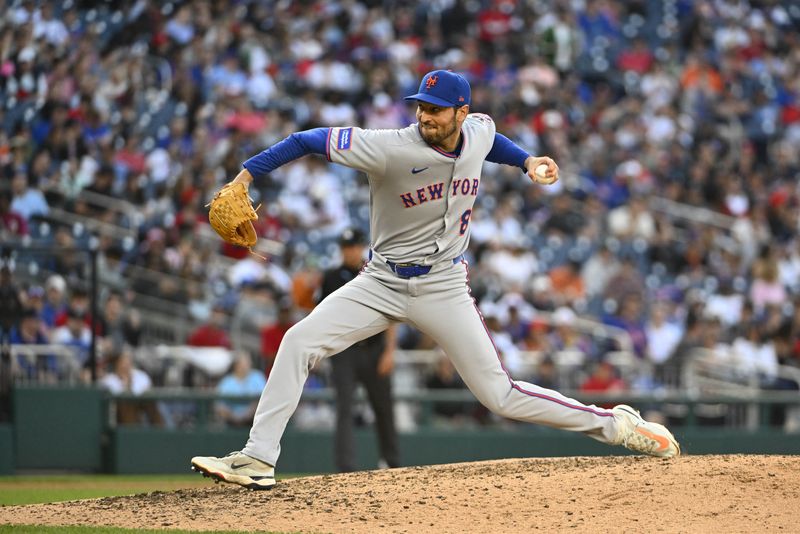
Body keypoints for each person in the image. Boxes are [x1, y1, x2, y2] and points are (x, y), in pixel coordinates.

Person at [191, 70, 679, 490]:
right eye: (422, 106)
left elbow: (492, 142)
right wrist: (246, 177)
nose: (425, 116)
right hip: (380, 281)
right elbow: (306, 140)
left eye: (437, 109)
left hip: (443, 286)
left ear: (461, 113)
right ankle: (258, 458)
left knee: (499, 395)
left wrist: (528, 162)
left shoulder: (478, 131)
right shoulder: (387, 147)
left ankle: (616, 425)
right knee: (299, 341)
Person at [321, 227, 399, 472]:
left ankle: (392, 463)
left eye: (353, 246)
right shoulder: (332, 277)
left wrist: (389, 351)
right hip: (345, 350)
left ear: (362, 247)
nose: (349, 251)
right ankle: (345, 467)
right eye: (345, 247)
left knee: (383, 408)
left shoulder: (375, 272)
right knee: (344, 408)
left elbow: (392, 314)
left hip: (374, 347)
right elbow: (323, 315)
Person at [215, 351, 267, 427]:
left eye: (248, 362)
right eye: (243, 363)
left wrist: (246, 415)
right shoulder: (227, 381)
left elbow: (263, 400)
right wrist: (234, 417)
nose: (247, 365)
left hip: (254, 421)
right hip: (231, 422)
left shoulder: (257, 377)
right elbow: (219, 404)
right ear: (236, 365)